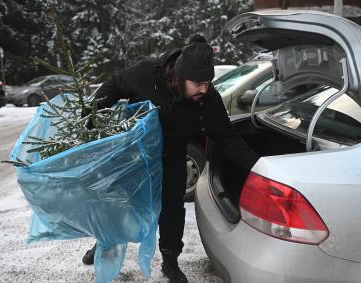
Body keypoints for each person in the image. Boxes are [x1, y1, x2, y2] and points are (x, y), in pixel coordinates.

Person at [82, 34, 258, 282]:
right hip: (135, 155)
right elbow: (115, 84)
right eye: (198, 83)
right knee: (118, 203)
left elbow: (226, 137)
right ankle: (103, 243)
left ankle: (170, 262)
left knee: (173, 210)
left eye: (208, 82)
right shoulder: (147, 73)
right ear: (179, 75)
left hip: (172, 157)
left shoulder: (208, 99)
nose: (204, 89)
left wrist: (257, 165)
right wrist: (90, 115)